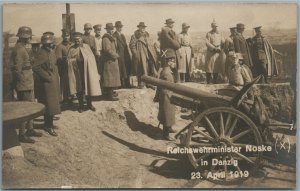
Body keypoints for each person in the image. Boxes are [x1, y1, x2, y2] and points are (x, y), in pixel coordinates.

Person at [11, 26, 42, 143]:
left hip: (28, 81)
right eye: (29, 36)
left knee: (31, 106)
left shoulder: (22, 47)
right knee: (25, 109)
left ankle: (30, 129)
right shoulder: (19, 49)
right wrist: (19, 85)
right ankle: (22, 134)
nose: (30, 38)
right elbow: (17, 70)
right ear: (25, 37)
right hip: (24, 83)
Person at [33, 32, 61, 136]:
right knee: (49, 105)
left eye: (50, 43)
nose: (50, 44)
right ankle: (48, 126)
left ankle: (49, 124)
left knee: (52, 104)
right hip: (46, 83)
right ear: (44, 44)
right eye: (48, 43)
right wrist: (47, 77)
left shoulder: (51, 51)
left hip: (53, 81)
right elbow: (36, 67)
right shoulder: (42, 53)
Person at [67, 32, 102, 112]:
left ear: (81, 39)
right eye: (75, 40)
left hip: (87, 71)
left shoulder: (86, 47)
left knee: (88, 86)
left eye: (78, 39)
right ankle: (81, 105)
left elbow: (91, 58)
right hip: (77, 72)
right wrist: (75, 60)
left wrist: (86, 61)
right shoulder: (71, 49)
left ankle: (89, 104)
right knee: (79, 88)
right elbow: (68, 61)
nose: (77, 41)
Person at [129, 22, 158, 88]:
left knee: (148, 68)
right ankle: (141, 84)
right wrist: (136, 54)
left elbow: (150, 44)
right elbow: (131, 45)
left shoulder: (147, 35)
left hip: (148, 54)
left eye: (144, 27)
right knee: (141, 69)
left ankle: (148, 83)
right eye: (141, 27)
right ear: (139, 28)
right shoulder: (135, 36)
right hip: (140, 55)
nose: (143, 29)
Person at [157, 50, 177, 141]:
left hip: (168, 95)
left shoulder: (167, 71)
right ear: (168, 62)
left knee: (169, 114)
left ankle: (169, 128)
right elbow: (164, 86)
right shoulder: (166, 73)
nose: (174, 63)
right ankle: (166, 135)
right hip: (166, 96)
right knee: (166, 115)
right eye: (173, 61)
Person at [101, 23, 121, 101]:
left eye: (112, 29)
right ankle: (109, 96)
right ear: (107, 29)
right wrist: (116, 55)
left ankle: (111, 92)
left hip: (112, 61)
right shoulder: (106, 38)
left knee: (112, 77)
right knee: (109, 78)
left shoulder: (110, 37)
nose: (112, 30)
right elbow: (107, 50)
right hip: (109, 61)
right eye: (110, 29)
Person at [204, 19, 226, 84]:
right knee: (209, 67)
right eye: (214, 26)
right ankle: (208, 81)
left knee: (216, 67)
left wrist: (224, 45)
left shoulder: (220, 34)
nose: (215, 27)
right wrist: (213, 48)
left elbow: (223, 42)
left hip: (218, 52)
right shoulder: (209, 34)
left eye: (216, 26)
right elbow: (207, 43)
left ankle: (215, 81)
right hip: (211, 52)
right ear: (212, 26)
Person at [160, 18, 180, 82]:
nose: (172, 24)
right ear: (167, 24)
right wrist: (177, 45)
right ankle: (173, 81)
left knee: (172, 67)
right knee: (171, 67)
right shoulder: (165, 31)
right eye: (170, 23)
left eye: (172, 23)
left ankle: (174, 81)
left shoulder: (170, 31)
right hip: (168, 52)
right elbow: (170, 41)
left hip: (170, 52)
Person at [55, 29, 72, 104]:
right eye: (65, 36)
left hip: (72, 67)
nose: (66, 37)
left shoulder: (71, 45)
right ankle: (65, 99)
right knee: (65, 83)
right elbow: (59, 59)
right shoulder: (59, 47)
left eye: (67, 35)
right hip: (64, 68)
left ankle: (71, 97)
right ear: (62, 36)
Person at [113, 21, 131, 88]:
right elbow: (115, 46)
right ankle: (121, 85)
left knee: (126, 68)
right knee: (121, 69)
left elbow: (125, 45)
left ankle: (127, 84)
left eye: (121, 27)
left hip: (125, 54)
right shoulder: (114, 35)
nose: (120, 28)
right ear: (116, 27)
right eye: (118, 27)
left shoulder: (122, 35)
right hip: (120, 54)